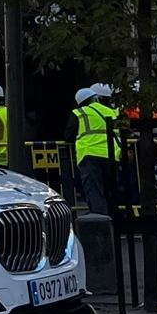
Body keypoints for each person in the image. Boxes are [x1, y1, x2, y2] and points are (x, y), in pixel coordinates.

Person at [64, 86, 119, 217]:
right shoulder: (113, 112)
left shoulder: (79, 113)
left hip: (89, 155)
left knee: (94, 190)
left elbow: (68, 136)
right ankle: (116, 221)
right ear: (95, 98)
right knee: (111, 190)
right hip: (112, 155)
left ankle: (100, 222)